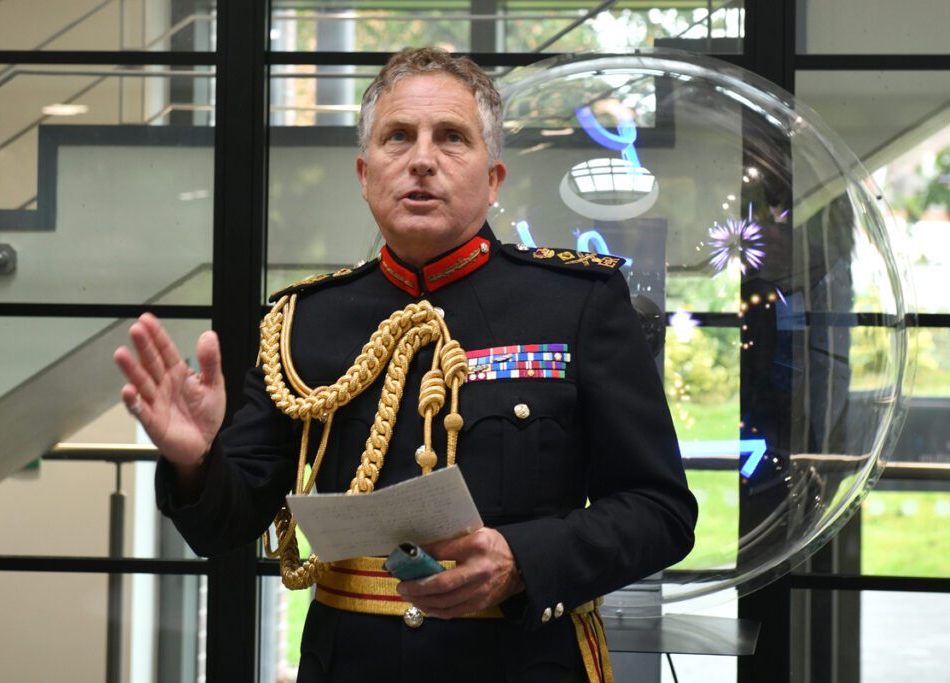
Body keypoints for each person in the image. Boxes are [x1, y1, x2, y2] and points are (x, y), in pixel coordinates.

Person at [115, 47, 697, 682]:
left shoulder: (576, 304)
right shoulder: (301, 321)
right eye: (398, 137)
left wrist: (521, 560)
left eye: (451, 137)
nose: (422, 158)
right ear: (366, 175)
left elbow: (660, 511)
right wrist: (194, 461)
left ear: (493, 177)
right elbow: (229, 523)